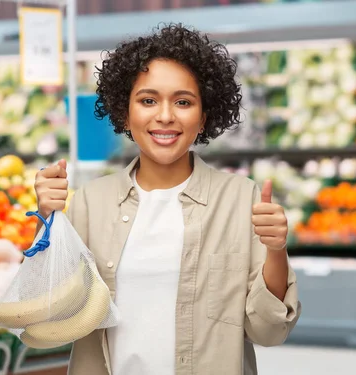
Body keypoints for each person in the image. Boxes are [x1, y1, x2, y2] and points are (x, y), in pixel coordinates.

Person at [34, 23, 301, 375]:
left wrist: (276, 248)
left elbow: (268, 330)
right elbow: (50, 319)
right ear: (125, 113)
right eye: (147, 100)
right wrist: (46, 220)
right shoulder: (88, 202)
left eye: (183, 102)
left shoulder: (240, 199)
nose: (164, 116)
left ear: (204, 117)